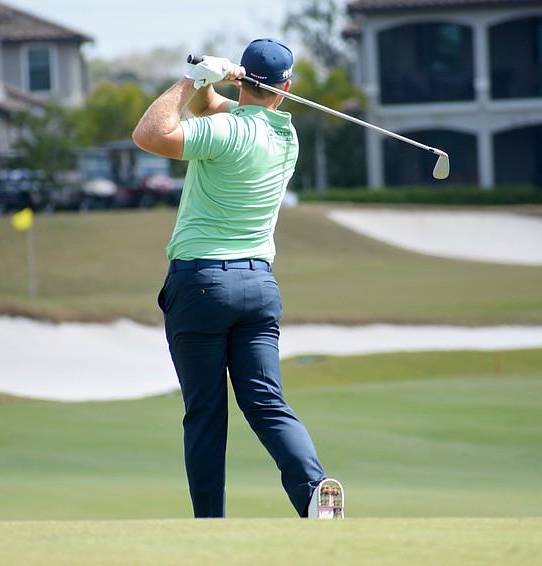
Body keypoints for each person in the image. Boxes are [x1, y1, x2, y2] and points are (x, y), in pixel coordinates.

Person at [132, 38, 343, 519]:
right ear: (286, 88)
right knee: (266, 402)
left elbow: (149, 134)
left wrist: (191, 80)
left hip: (201, 285)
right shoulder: (286, 136)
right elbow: (219, 111)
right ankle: (314, 492)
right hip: (259, 288)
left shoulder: (227, 132)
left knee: (206, 413)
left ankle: (211, 527)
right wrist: (214, 85)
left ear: (245, 77)